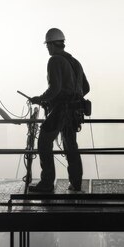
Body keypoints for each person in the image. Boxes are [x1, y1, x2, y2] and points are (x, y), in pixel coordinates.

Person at [29, 28, 90, 192]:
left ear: (50, 44)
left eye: (47, 45)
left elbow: (55, 88)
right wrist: (74, 96)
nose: (47, 49)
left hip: (61, 110)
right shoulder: (74, 62)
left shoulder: (55, 60)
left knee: (44, 142)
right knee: (71, 145)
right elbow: (86, 87)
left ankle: (47, 182)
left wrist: (40, 99)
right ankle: (76, 183)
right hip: (74, 112)